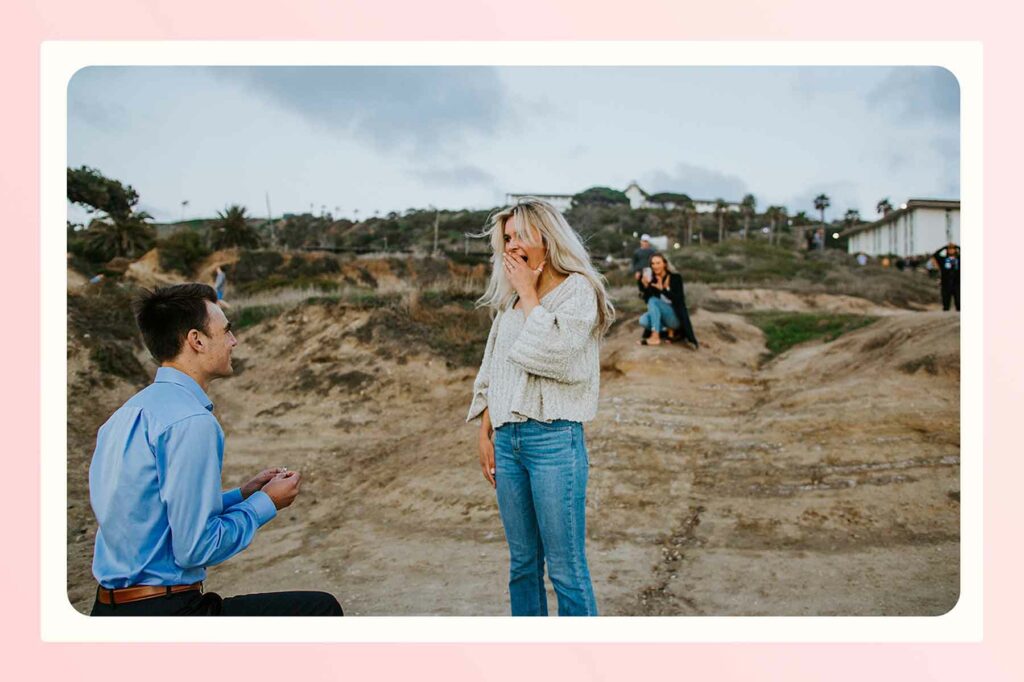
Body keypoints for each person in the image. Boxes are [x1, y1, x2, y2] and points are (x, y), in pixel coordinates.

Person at [88, 283, 343, 616]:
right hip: (167, 612)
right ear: (196, 340)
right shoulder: (191, 421)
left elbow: (153, 516)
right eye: (226, 331)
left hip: (109, 609)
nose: (234, 341)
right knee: (319, 610)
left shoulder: (124, 416)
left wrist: (243, 493)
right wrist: (266, 503)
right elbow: (196, 547)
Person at [467, 198, 615, 617]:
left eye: (520, 236)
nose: (511, 246)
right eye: (507, 238)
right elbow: (495, 371)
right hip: (509, 441)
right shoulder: (510, 302)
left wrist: (530, 294)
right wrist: (485, 432)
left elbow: (556, 356)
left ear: (546, 238)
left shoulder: (578, 291)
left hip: (554, 441)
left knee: (566, 569)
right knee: (523, 566)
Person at [636, 253, 699, 348]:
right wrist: (645, 286)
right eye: (653, 264)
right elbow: (648, 301)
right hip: (663, 318)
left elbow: (679, 300)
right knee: (643, 320)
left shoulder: (675, 278)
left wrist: (663, 290)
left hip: (675, 318)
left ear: (664, 264)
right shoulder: (653, 279)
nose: (655, 266)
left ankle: (656, 336)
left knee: (654, 300)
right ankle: (669, 333)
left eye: (658, 263)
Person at [932, 242, 960, 311]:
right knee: (946, 303)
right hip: (946, 283)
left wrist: (957, 247)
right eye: (949, 249)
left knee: (959, 302)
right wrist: (945, 247)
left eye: (953, 249)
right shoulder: (943, 260)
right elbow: (935, 254)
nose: (951, 250)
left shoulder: (959, 259)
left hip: (957, 283)